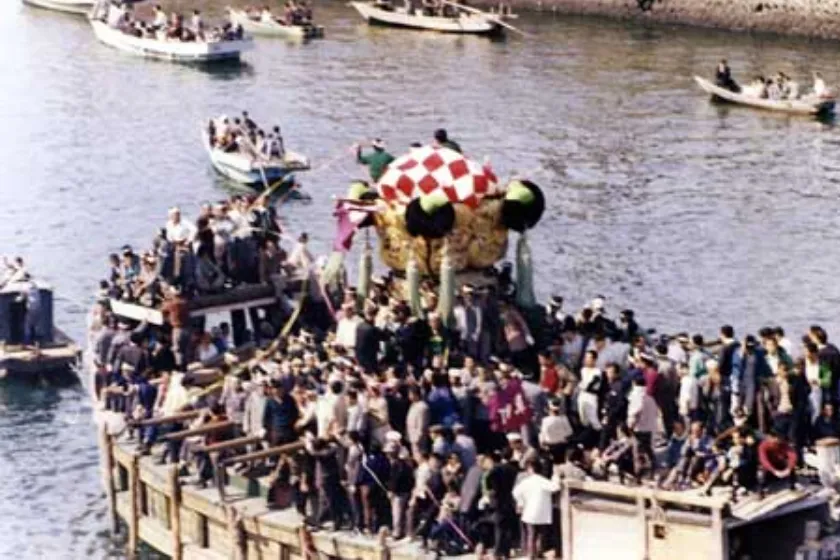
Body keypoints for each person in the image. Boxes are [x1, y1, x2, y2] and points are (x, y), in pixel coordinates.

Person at [512, 458, 559, 559]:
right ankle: (538, 552)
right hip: (542, 512)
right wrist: (556, 476)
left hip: (529, 511)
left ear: (531, 469)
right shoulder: (543, 481)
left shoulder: (526, 481)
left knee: (531, 534)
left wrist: (521, 502)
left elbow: (515, 492)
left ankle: (531, 555)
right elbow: (555, 487)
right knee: (541, 534)